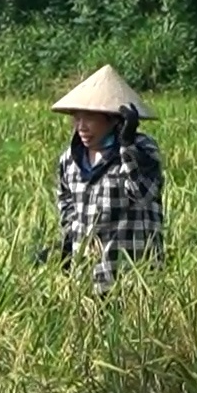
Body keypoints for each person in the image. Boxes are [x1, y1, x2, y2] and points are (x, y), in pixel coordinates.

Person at [44, 64, 165, 295]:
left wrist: (127, 145)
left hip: (131, 278)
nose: (81, 127)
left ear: (113, 120)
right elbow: (67, 207)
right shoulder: (70, 159)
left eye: (89, 119)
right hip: (86, 280)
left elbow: (143, 193)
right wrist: (67, 250)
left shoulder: (142, 150)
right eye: (77, 119)